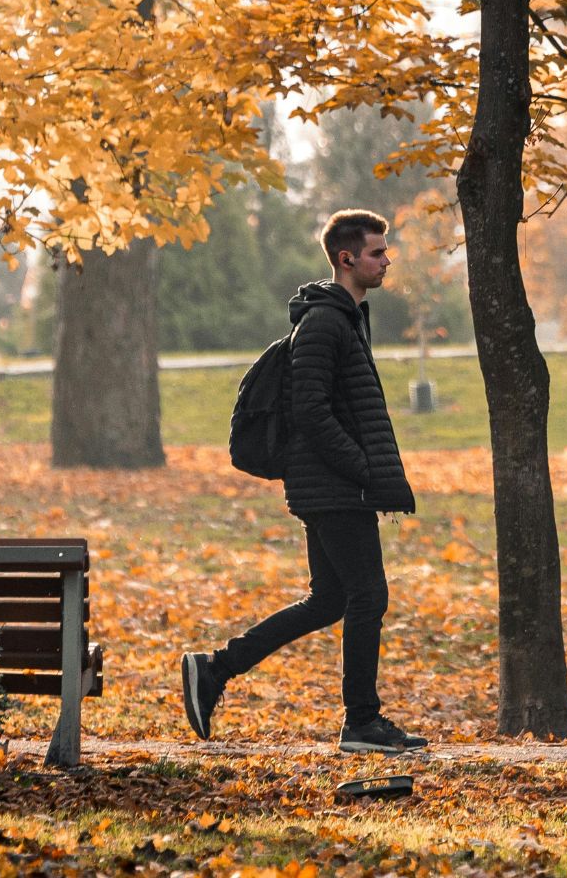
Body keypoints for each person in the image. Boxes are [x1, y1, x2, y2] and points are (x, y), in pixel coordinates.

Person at [181, 209, 425, 753]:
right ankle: (362, 722)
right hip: (333, 487)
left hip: (334, 486)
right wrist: (363, 470)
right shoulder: (323, 324)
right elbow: (311, 412)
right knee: (368, 595)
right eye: (376, 252)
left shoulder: (347, 319)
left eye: (385, 251)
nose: (386, 261)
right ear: (346, 258)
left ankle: (215, 669)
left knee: (330, 600)